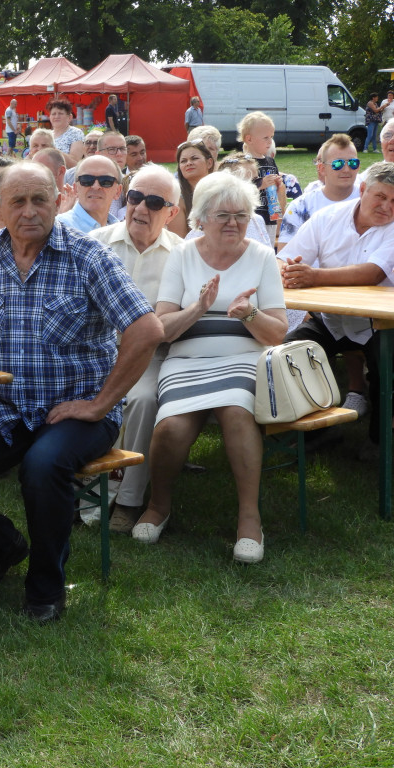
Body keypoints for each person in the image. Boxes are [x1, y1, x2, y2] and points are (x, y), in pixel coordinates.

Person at [0, 163, 162, 622]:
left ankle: (46, 588)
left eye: (39, 200)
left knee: (42, 467)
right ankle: (1, 547)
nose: (30, 212)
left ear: (58, 200)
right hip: (9, 410)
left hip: (78, 414)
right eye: (18, 202)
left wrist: (101, 403)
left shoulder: (89, 257)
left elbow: (147, 329)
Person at [133, 173, 287, 562]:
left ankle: (249, 519)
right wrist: (199, 308)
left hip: (243, 359)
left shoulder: (262, 256)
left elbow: (277, 333)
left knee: (237, 412)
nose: (233, 223)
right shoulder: (183, 255)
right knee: (170, 426)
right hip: (185, 360)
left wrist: (249, 313)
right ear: (201, 218)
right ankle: (159, 505)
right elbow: (162, 329)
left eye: (241, 214)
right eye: (223, 215)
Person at [89, 165, 184, 533]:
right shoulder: (95, 243)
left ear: (172, 212)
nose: (141, 208)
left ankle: (128, 499)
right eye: (135, 197)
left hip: (151, 356)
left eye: (155, 202)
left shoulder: (182, 254)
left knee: (143, 400)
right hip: (96, 353)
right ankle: (89, 493)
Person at [280, 161, 394, 443]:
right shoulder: (326, 218)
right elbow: (287, 258)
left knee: (387, 367)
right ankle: (315, 434)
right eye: (381, 196)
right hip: (330, 320)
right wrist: (290, 269)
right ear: (363, 189)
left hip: (381, 325)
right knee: (289, 355)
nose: (387, 207)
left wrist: (313, 276)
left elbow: (373, 272)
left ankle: (381, 445)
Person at [238, 112, 285, 238]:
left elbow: (275, 188)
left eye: (271, 137)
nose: (270, 141)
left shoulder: (270, 161)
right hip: (251, 219)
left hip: (270, 216)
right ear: (249, 139)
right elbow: (240, 189)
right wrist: (261, 184)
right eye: (266, 138)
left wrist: (278, 183)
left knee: (268, 249)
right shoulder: (244, 163)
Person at [58, 154, 121, 233]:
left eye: (106, 181)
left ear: (118, 191)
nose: (96, 186)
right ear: (75, 188)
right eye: (86, 180)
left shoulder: (122, 231)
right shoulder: (58, 229)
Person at [169, 139, 216, 237]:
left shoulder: (223, 190)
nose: (189, 163)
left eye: (194, 158)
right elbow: (179, 241)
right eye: (183, 161)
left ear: (209, 163)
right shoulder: (177, 199)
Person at [45, 99, 85, 167]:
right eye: (53, 114)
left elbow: (75, 163)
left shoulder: (76, 133)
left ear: (69, 117)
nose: (56, 116)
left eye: (60, 113)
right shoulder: (47, 135)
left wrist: (53, 150)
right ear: (50, 117)